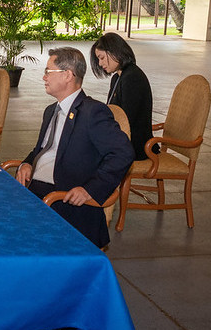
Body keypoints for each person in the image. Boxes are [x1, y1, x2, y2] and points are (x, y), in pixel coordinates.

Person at [15, 47, 134, 249]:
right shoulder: (51, 110)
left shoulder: (92, 112)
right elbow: (43, 149)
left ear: (68, 75)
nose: (44, 77)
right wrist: (27, 163)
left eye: (48, 72)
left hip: (62, 198)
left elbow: (123, 153)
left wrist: (89, 190)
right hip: (37, 190)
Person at [90, 32, 159, 161]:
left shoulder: (132, 77)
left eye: (102, 57)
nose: (100, 63)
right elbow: (113, 111)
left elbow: (127, 119)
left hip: (135, 146)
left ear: (114, 52)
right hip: (124, 140)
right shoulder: (118, 77)